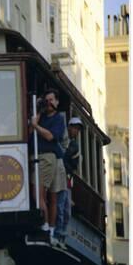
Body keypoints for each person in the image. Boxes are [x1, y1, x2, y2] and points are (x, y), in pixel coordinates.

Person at [29, 89, 66, 242]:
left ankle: (48, 228)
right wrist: (38, 110)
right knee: (41, 194)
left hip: (52, 159)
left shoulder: (59, 118)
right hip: (40, 157)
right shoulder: (41, 115)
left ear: (57, 101)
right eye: (46, 100)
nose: (49, 103)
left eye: (52, 100)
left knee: (49, 196)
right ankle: (46, 227)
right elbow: (30, 129)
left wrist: (36, 126)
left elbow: (50, 136)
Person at [54, 117, 83, 249]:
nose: (76, 131)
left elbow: (74, 164)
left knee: (66, 211)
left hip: (68, 179)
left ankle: (62, 237)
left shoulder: (74, 145)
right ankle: (57, 234)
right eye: (74, 128)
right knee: (60, 206)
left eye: (78, 129)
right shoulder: (63, 139)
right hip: (60, 176)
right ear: (69, 127)